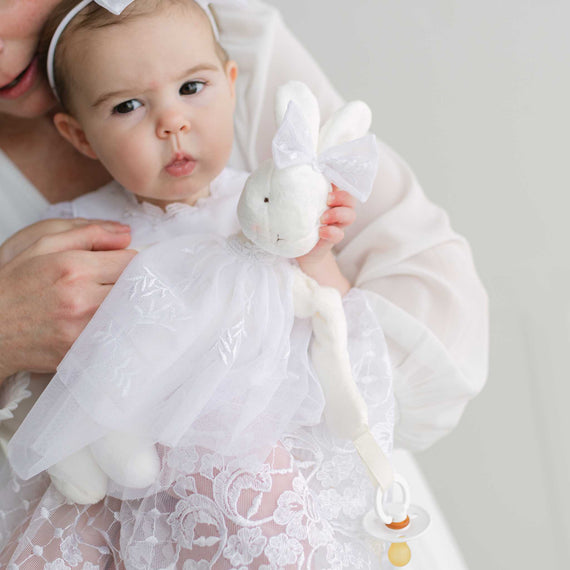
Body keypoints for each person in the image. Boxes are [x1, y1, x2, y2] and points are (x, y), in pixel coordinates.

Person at [0, 0, 488, 568]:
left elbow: (339, 329)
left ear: (232, 84)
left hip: (267, 454)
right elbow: (53, 373)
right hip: (126, 485)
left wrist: (318, 256)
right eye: (128, 106)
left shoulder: (262, 205)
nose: (171, 122)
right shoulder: (77, 233)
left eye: (192, 89)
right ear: (79, 135)